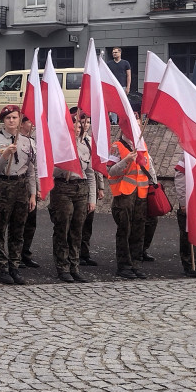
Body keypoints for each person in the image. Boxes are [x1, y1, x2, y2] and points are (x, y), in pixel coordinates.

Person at [0, 104, 36, 286]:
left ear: (19, 119)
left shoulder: (28, 141)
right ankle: (1, 268)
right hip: (4, 185)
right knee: (0, 228)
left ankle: (14, 266)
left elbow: (31, 170)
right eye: (8, 118)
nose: (12, 121)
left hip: (22, 186)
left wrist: (33, 194)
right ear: (3, 120)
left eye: (15, 117)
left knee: (18, 229)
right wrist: (5, 154)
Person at [48, 108, 96, 283]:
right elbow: (50, 170)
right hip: (63, 188)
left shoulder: (86, 144)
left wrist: (92, 198)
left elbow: (90, 173)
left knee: (77, 229)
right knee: (63, 227)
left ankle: (75, 266)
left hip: (81, 189)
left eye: (80, 125)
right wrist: (66, 162)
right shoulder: (59, 144)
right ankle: (62, 267)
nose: (78, 128)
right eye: (74, 124)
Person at [107, 135, 156, 280]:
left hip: (141, 194)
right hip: (124, 195)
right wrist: (126, 160)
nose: (137, 125)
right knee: (124, 231)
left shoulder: (143, 145)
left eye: (138, 122)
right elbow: (110, 170)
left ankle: (136, 264)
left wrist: (154, 185)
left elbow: (149, 168)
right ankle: (124, 266)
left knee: (139, 231)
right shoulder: (117, 146)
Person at [77, 112, 105, 266]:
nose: (86, 125)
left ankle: (85, 253)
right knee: (78, 221)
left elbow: (96, 166)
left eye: (88, 122)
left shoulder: (90, 141)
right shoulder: (76, 142)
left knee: (88, 221)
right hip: (79, 184)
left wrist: (100, 187)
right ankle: (76, 253)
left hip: (90, 183)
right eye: (83, 121)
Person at [19, 115, 41, 269]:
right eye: (29, 122)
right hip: (20, 185)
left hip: (32, 186)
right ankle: (16, 254)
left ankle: (25, 253)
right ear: (22, 123)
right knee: (18, 222)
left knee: (31, 223)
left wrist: (38, 189)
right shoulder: (18, 140)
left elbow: (36, 168)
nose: (32, 124)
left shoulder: (33, 142)